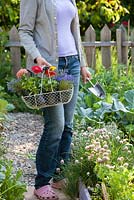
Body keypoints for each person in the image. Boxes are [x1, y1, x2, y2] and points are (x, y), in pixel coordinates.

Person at [18, 0, 91, 199]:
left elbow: (74, 31)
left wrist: (83, 64)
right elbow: (24, 31)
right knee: (55, 125)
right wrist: (36, 57)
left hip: (73, 63)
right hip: (48, 67)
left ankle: (60, 176)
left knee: (68, 125)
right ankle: (42, 182)